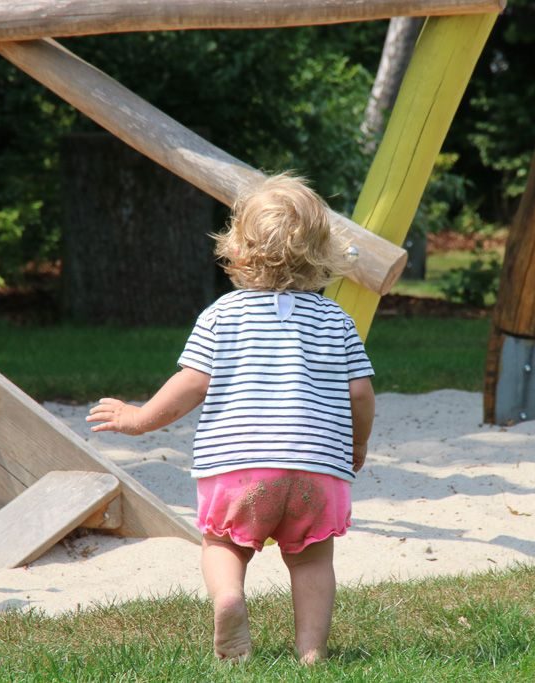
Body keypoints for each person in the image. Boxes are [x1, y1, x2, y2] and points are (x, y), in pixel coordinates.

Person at [87, 173, 376, 664]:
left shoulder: (223, 314)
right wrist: (357, 445)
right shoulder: (336, 320)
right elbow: (360, 392)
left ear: (238, 252)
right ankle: (312, 654)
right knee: (310, 560)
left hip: (239, 469)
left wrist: (138, 419)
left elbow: (190, 385)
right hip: (317, 473)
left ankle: (228, 598)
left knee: (223, 543)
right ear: (323, 254)